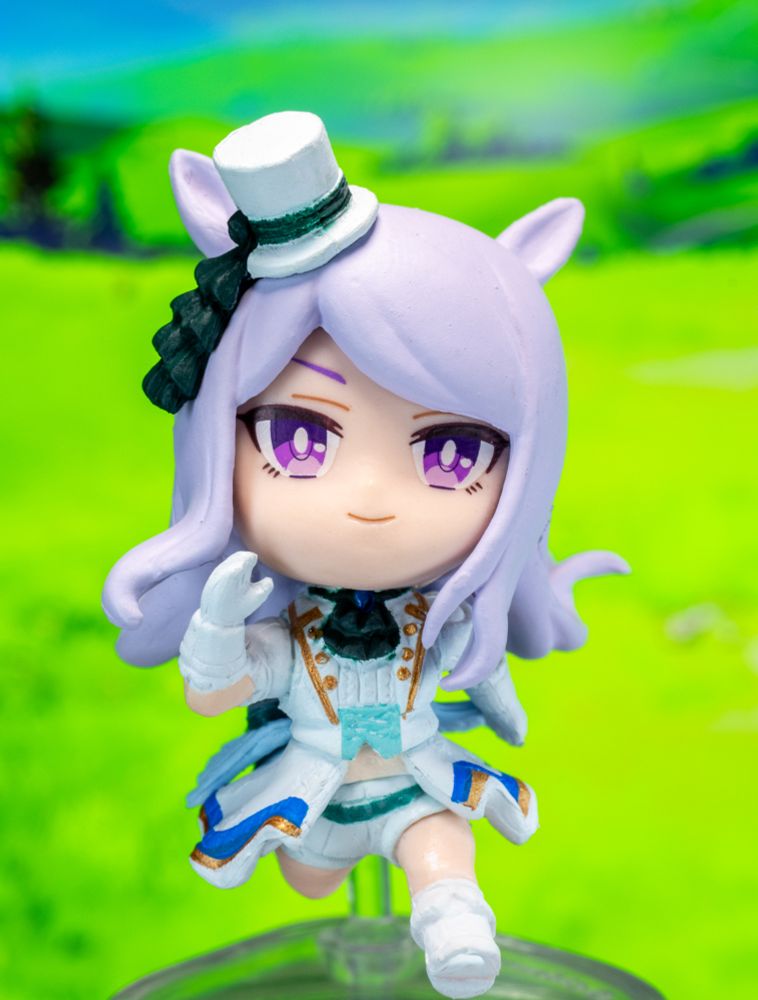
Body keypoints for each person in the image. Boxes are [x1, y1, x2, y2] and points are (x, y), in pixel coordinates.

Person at [103, 111, 626, 999]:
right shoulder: (292, 635)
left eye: (452, 452)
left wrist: (498, 690)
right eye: (299, 439)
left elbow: (476, 665)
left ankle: (452, 921)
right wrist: (219, 625)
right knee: (311, 875)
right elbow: (215, 692)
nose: (373, 499)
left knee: (439, 844)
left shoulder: (433, 618)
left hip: (416, 777)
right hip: (311, 793)